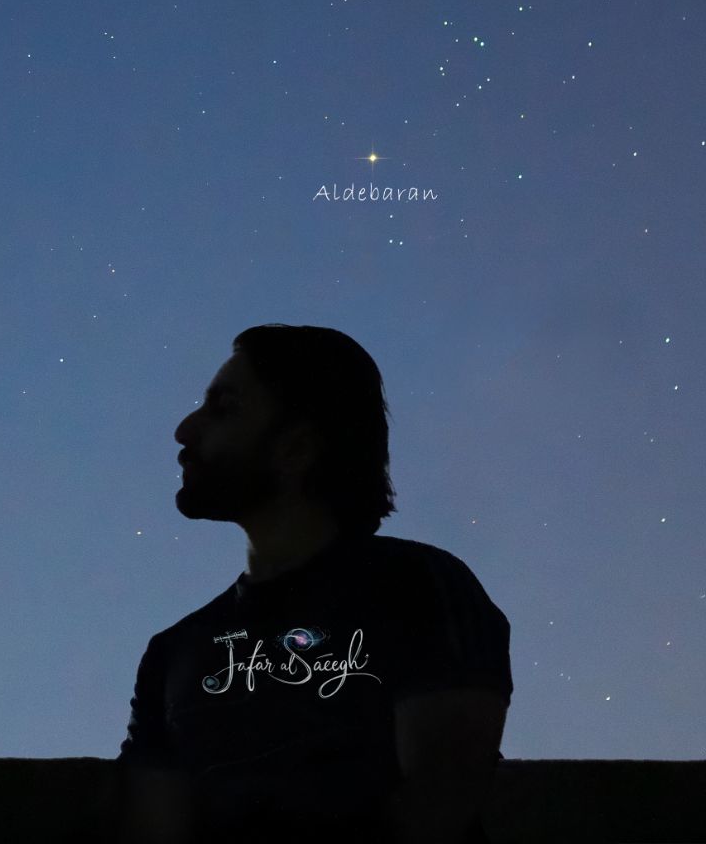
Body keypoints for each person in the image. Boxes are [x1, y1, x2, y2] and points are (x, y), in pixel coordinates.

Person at [115, 325, 512, 843]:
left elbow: (442, 795)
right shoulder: (174, 652)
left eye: (225, 407)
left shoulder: (419, 588)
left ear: (297, 448)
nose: (185, 432)